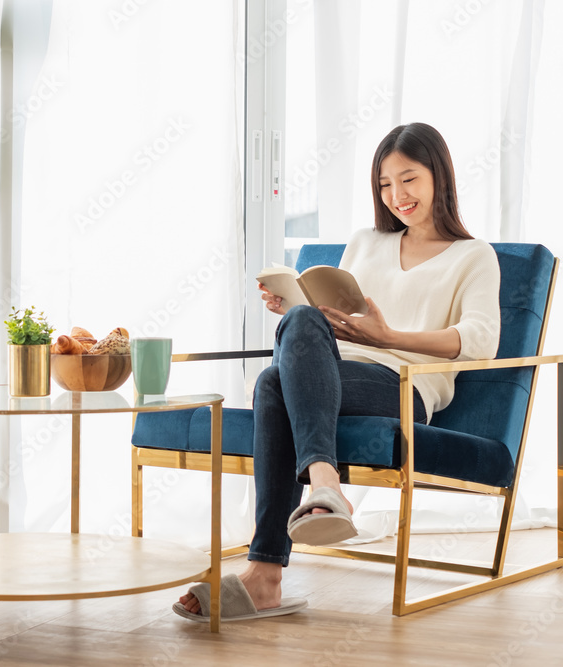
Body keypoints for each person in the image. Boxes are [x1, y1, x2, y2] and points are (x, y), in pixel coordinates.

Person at [173, 122, 501, 622]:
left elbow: (479, 340)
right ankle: (322, 491)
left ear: (439, 174)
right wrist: (296, 309)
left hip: (403, 387)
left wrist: (387, 337)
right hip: (330, 376)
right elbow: (329, 316)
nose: (397, 196)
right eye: (385, 185)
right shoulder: (366, 242)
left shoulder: (472, 256)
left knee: (270, 383)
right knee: (292, 339)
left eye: (408, 179)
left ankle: (266, 572)